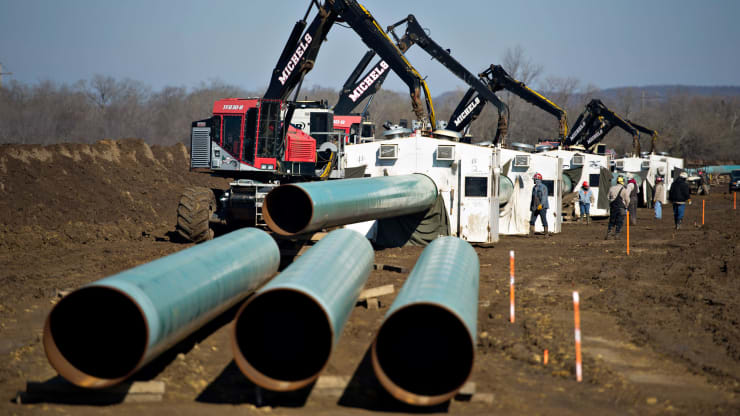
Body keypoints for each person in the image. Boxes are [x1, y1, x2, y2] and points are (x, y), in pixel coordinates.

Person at [529, 173, 549, 237]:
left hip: (542, 207)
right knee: (532, 220)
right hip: (535, 206)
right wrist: (531, 206)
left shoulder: (543, 187)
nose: (534, 180)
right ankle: (531, 232)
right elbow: (533, 198)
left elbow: (544, 197)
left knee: (543, 219)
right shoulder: (534, 188)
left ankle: (546, 233)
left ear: (537, 179)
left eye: (534, 179)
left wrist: (541, 205)